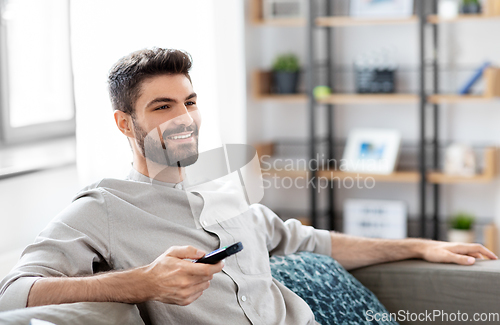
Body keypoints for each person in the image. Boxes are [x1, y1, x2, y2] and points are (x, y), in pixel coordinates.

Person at [0, 48, 496, 324]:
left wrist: (421, 246)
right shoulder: (103, 208)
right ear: (125, 124)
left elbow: (310, 242)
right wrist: (143, 282)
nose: (185, 118)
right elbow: (10, 293)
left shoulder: (225, 188)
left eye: (190, 101)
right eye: (162, 107)